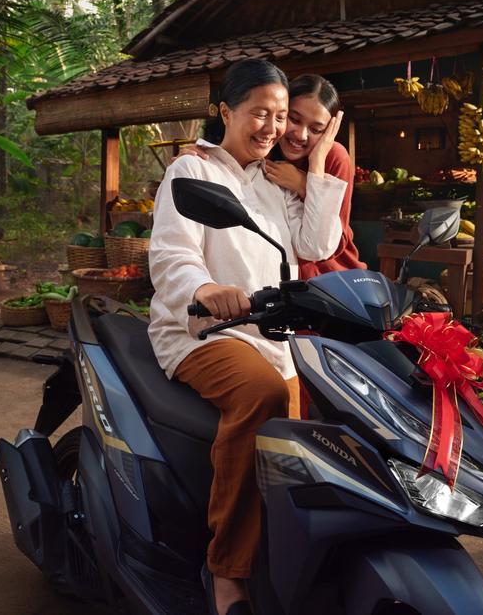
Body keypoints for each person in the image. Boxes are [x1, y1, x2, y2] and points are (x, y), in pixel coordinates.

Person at [148, 59, 345, 615]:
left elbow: (318, 245)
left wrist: (319, 160)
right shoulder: (191, 170)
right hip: (203, 332)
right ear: (226, 112)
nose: (273, 127)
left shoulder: (273, 181)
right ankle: (227, 568)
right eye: (260, 113)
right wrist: (205, 288)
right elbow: (171, 253)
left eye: (280, 116)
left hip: (271, 335)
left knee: (323, 417)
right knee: (263, 394)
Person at [190, 73, 365, 279]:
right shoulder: (262, 150)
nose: (301, 135)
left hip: (333, 276)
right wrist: (199, 153)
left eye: (316, 129)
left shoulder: (334, 156)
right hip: (281, 280)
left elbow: (335, 244)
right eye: (294, 119)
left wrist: (307, 181)